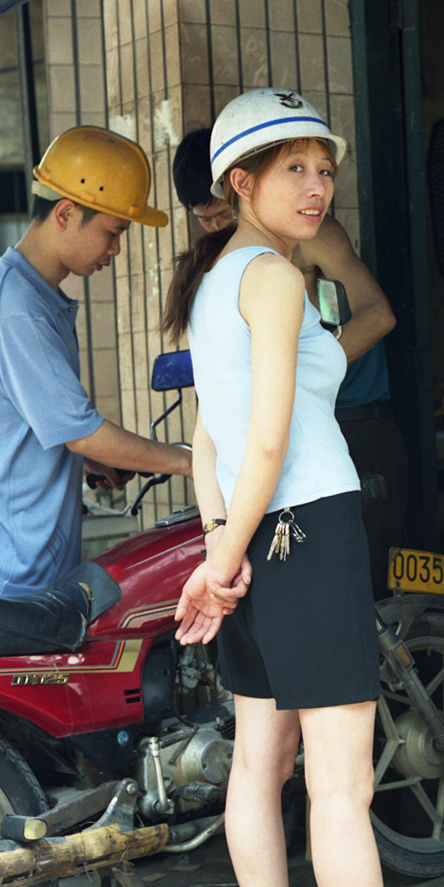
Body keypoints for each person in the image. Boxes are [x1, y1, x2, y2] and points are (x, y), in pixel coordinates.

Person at [163, 88, 444, 887]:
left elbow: (207, 438)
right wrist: (221, 561)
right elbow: (268, 438)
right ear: (240, 182)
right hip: (309, 530)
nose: (316, 185)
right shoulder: (277, 281)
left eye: (323, 168)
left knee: (259, 764)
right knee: (337, 785)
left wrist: (222, 545)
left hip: (253, 539)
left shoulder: (215, 283)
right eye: (293, 168)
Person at [0, 126, 192, 600]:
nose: (115, 250)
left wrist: (91, 460)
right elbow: (81, 431)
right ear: (66, 213)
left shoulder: (35, 295)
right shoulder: (17, 309)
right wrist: (191, 463)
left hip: (19, 561)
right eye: (113, 232)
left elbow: (42, 426)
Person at [175, 126, 406, 598]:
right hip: (281, 445)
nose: (218, 227)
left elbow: (379, 315)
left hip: (351, 419)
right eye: (205, 219)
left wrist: (291, 372)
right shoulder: (221, 271)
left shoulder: (306, 239)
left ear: (242, 187)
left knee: (365, 593)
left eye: (222, 213)